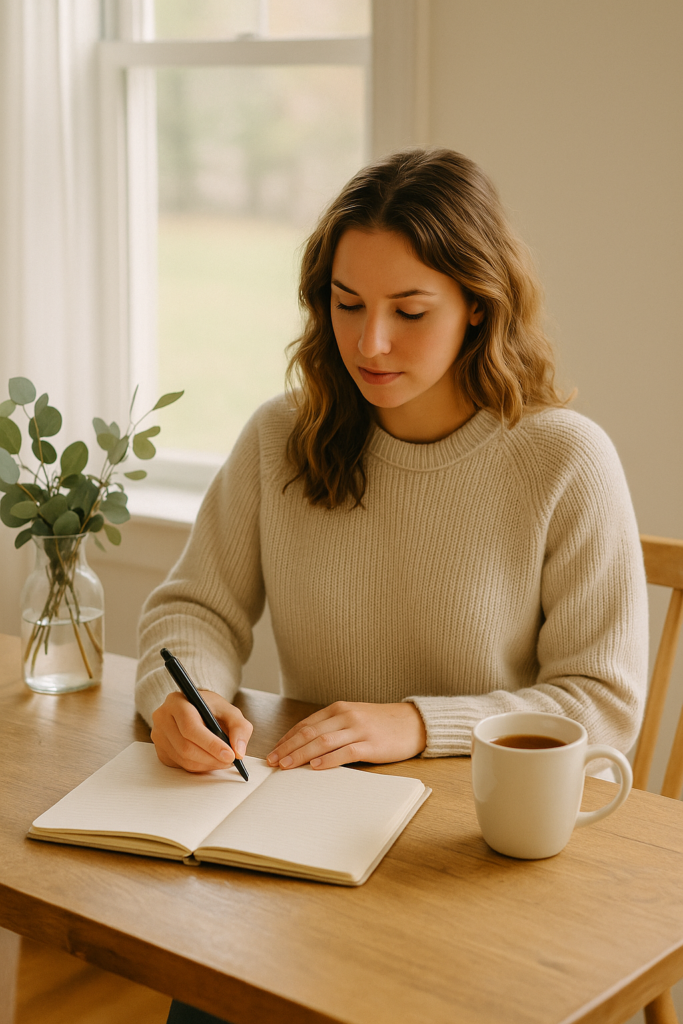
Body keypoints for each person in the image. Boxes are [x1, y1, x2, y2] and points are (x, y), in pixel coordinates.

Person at [135, 148, 648, 1024]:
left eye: (409, 311)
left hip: (470, 865)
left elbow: (598, 705)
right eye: (346, 305)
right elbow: (192, 609)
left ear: (477, 307)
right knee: (204, 986)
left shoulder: (564, 460)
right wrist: (183, 695)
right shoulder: (280, 438)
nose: (370, 342)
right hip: (296, 838)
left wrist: (415, 722)